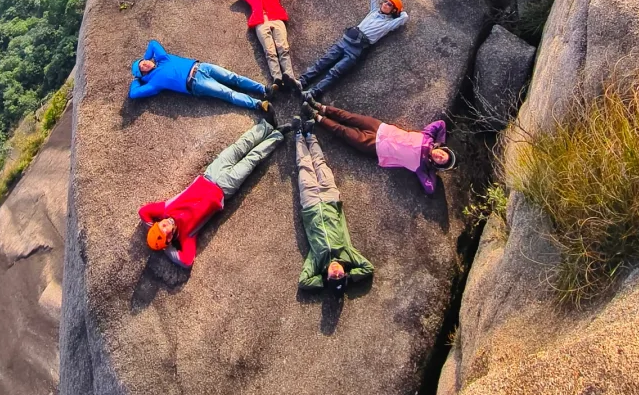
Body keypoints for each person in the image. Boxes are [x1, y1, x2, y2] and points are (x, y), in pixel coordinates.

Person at [139, 120, 283, 267]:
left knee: (239, 146)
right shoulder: (186, 236)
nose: (164, 225)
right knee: (252, 159)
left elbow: (143, 212)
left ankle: (266, 126)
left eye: (159, 226)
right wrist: (166, 248)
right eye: (165, 232)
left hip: (210, 174)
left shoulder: (164, 210)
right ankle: (278, 135)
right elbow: (186, 261)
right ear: (169, 240)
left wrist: (154, 231)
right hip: (224, 188)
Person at [292, 116, 374, 293]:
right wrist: (351, 277)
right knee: (320, 164)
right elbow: (368, 268)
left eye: (333, 276)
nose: (337, 272)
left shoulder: (316, 261)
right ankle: (310, 135)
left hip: (311, 205)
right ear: (345, 271)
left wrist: (322, 283)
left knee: (304, 167)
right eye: (341, 275)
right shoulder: (348, 253)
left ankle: (298, 135)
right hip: (331, 200)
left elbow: (303, 282)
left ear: (327, 276)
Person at [307, 101, 453, 193]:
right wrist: (440, 141)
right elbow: (441, 124)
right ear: (442, 149)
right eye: (443, 154)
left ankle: (316, 117)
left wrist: (433, 170)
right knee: (349, 117)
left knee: (343, 132)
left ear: (437, 164)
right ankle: (321, 107)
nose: (439, 156)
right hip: (381, 128)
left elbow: (430, 188)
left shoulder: (421, 167)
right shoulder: (427, 137)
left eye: (441, 160)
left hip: (376, 147)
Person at [300, 0, 408, 97]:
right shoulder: (374, 11)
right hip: (345, 41)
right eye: (385, 2)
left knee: (334, 72)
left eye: (389, 5)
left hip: (356, 51)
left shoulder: (389, 24)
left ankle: (313, 93)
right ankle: (301, 81)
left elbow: (404, 17)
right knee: (322, 62)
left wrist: (399, 10)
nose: (385, 4)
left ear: (393, 10)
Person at [129, 39, 271, 113]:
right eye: (142, 67)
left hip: (202, 67)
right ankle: (258, 104)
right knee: (228, 93)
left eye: (144, 62)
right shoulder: (153, 83)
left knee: (234, 78)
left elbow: (153, 44)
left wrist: (145, 58)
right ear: (143, 74)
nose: (146, 63)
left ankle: (264, 89)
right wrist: (137, 80)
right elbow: (133, 94)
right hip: (196, 83)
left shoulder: (162, 59)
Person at [234, 0, 296, 90]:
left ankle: (290, 77)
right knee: (269, 51)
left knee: (283, 47)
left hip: (277, 19)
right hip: (261, 22)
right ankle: (277, 79)